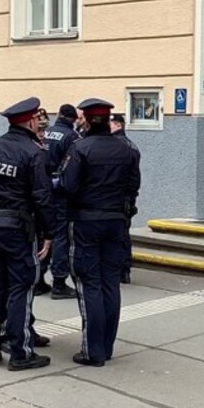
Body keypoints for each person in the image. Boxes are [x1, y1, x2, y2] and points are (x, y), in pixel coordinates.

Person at [0, 97, 55, 370]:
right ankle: (21, 352)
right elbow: (42, 197)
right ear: (31, 121)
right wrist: (49, 233)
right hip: (20, 230)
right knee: (21, 288)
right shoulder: (34, 152)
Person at [61, 98, 141, 367]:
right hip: (115, 222)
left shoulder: (80, 148)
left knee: (88, 283)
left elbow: (68, 186)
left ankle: (92, 350)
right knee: (110, 283)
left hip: (85, 222)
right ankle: (106, 347)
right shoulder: (128, 149)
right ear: (107, 120)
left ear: (86, 118)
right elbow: (133, 187)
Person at [40, 104, 80, 299]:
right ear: (73, 120)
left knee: (43, 232)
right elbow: (73, 166)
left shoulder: (46, 132)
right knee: (61, 236)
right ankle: (59, 282)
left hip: (42, 189)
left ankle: (38, 280)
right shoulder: (72, 137)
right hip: (60, 191)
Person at [109, 113, 141, 284]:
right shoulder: (132, 147)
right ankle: (125, 270)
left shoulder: (112, 146)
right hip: (126, 198)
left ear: (118, 126)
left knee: (115, 235)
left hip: (114, 198)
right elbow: (135, 178)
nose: (108, 127)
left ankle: (116, 268)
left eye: (111, 124)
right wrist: (132, 198)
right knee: (124, 234)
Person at [33, 108, 54, 296]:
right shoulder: (32, 150)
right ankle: (37, 281)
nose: (42, 134)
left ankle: (39, 279)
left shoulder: (43, 147)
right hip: (33, 209)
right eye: (39, 130)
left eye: (44, 130)